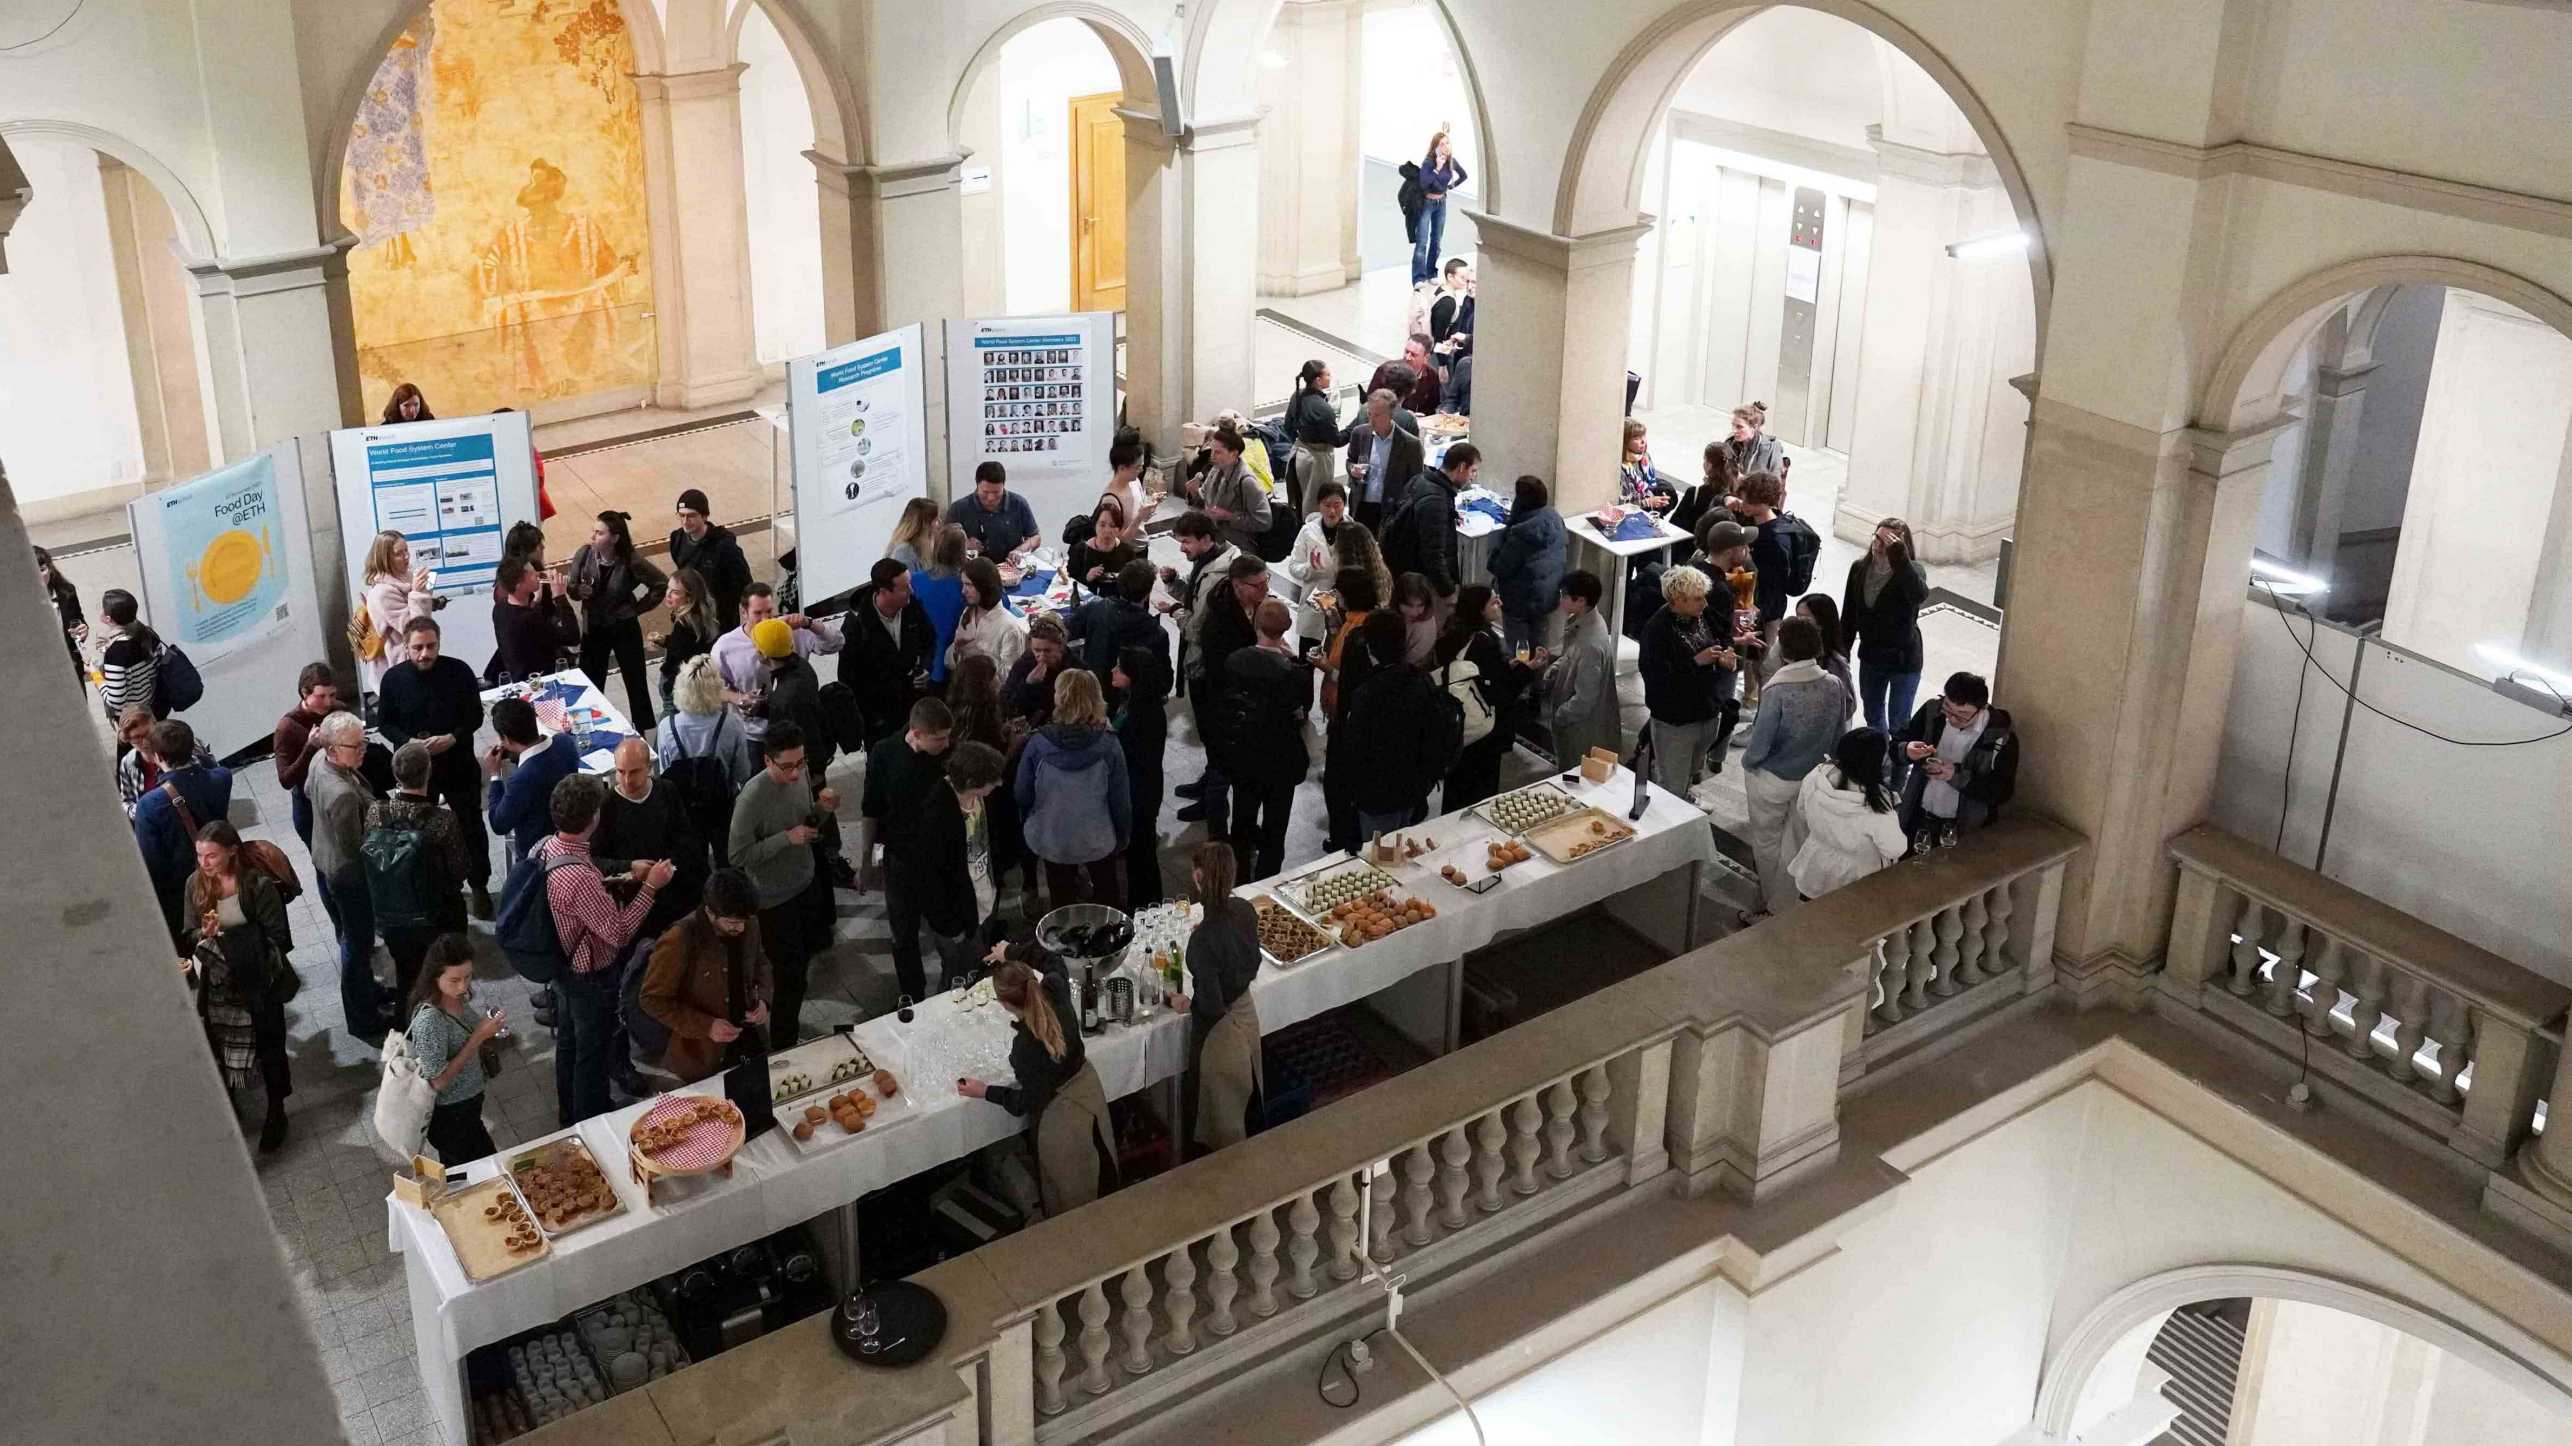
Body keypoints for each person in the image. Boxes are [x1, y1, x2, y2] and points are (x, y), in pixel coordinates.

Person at [540, 774, 672, 1125]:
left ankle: (568, 1113)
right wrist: (650, 889)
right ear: (593, 818)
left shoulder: (546, 847)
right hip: (589, 977)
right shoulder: (580, 879)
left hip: (561, 967)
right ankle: (592, 1120)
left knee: (568, 1044)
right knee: (592, 1056)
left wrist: (626, 874)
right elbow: (617, 932)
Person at [958, 947, 1118, 1214]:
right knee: (1099, 1170)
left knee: (1069, 1194)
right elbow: (1052, 957)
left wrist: (985, 1091)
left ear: (1005, 1005)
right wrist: (1010, 952)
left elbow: (1024, 1101)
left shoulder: (1025, 1048)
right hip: (1090, 1096)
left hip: (1059, 1121)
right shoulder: (1055, 988)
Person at [180, 821, 295, 1151]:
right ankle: (232, 1101)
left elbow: (280, 938)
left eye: (212, 855)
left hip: (260, 981)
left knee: (270, 1044)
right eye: (200, 855)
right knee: (222, 1044)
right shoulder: (195, 885)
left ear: (232, 852)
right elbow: (187, 934)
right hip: (220, 983)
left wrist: (235, 943)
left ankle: (277, 1109)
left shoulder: (257, 884)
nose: (205, 863)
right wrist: (205, 935)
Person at [376, 617, 494, 917]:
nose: (425, 654)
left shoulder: (459, 671)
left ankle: (479, 886)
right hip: (416, 774)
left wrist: (453, 737)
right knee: (418, 832)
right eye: (417, 647)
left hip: (457, 763)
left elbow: (475, 716)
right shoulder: (392, 679)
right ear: (405, 647)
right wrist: (408, 742)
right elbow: (384, 723)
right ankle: (432, 888)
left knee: (471, 827)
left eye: (431, 646)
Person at [1740, 618, 1855, 912]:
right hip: (1811, 777)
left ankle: (1769, 903)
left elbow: (1760, 743)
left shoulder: (1778, 691)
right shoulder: (1833, 683)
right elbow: (1838, 734)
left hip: (1773, 778)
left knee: (1767, 842)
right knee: (1799, 841)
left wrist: (1749, 763)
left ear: (1784, 650)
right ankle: (1790, 901)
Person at [641, 868, 773, 1084]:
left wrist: (765, 1001)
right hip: (704, 1054)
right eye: (732, 922)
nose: (740, 928)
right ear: (711, 912)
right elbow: (651, 999)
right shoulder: (680, 938)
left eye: (744, 920)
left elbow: (761, 963)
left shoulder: (748, 920)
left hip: (749, 1040)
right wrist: (706, 1026)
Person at [860, 699, 954, 1001]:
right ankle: (912, 995)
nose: (947, 743)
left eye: (948, 736)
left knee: (948, 930)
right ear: (916, 733)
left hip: (942, 861)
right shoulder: (885, 754)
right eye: (939, 739)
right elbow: (871, 810)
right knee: (903, 933)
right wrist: (868, 861)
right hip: (901, 861)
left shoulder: (951, 756)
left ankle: (953, 988)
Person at [1172, 842, 1262, 1153]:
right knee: (1246, 1107)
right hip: (1247, 1019)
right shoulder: (1245, 911)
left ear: (1198, 877)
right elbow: (1253, 963)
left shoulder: (1202, 942)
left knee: (1220, 1128)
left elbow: (1210, 1006)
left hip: (1220, 1038)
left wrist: (1183, 1001)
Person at [306, 711, 391, 1039]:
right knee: (357, 944)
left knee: (353, 940)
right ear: (331, 749)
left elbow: (305, 789)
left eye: (363, 742)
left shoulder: (319, 760)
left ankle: (368, 994)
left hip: (325, 859)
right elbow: (356, 845)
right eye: (354, 746)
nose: (363, 750)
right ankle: (362, 1018)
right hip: (348, 876)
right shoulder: (341, 793)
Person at [367, 740, 472, 1001]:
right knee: (444, 975)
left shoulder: (376, 812)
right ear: (429, 772)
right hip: (438, 916)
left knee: (406, 972)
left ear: (395, 775)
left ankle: (408, 1023)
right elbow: (460, 870)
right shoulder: (443, 821)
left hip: (393, 914)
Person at [1018, 670, 1130, 908]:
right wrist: (1122, 836)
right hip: (1097, 837)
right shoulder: (1109, 745)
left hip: (1053, 837)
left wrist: (1030, 821)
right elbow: (1120, 799)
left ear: (1059, 698)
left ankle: (1064, 942)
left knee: (1061, 902)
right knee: (1108, 896)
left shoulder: (1038, 743)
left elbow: (1022, 792)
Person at [1216, 597, 1309, 880]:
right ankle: (1269, 877)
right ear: (1288, 627)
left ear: (1256, 623)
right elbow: (1300, 714)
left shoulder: (1235, 660)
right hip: (1281, 759)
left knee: (1242, 819)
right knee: (1275, 826)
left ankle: (1241, 875)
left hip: (1245, 754)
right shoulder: (1294, 674)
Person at [1637, 566, 1746, 799]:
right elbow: (1658, 683)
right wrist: (1696, 662)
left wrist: (1724, 655)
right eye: (1697, 599)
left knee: (1691, 772)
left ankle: (1685, 801)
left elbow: (1721, 636)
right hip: (1675, 722)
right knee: (1671, 784)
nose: (1704, 604)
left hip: (1706, 711)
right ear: (1677, 600)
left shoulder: (1699, 615)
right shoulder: (1656, 632)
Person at [1343, 610, 1451, 837]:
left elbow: (1356, 748)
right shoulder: (1422, 680)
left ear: (1371, 647)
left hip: (1378, 793)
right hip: (1414, 786)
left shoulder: (1368, 692)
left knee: (1380, 856)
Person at [403, 935, 506, 1164]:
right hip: (451, 1114)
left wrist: (486, 1027)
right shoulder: (430, 1020)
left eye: (468, 977)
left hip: (468, 1105)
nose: (463, 986)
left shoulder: (455, 997)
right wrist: (478, 1037)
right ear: (435, 977)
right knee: (467, 1175)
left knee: (485, 1164)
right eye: (454, 980)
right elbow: (437, 1082)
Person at [1726, 471, 1820, 710]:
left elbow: (1772, 585)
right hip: (1753, 602)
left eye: (1748, 501)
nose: (1743, 504)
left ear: (1763, 502)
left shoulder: (1773, 541)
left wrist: (1755, 611)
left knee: (1762, 661)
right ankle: (1750, 697)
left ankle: (1758, 703)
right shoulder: (1767, 523)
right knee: (1750, 658)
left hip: (1764, 609)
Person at [916, 740, 1009, 983]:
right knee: (958, 976)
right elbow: (930, 879)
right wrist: (950, 927)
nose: (998, 784)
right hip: (955, 919)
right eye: (991, 781)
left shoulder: (982, 799)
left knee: (977, 967)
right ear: (970, 783)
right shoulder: (936, 814)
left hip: (983, 902)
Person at [712, 583, 843, 754]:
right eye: (758, 613)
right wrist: (738, 698)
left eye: (769, 612)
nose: (766, 619)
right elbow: (712, 688)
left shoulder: (788, 630)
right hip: (754, 736)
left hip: (795, 731)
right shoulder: (725, 647)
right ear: (743, 612)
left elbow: (836, 642)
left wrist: (808, 623)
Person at [1435, 585, 1533, 811]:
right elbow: (1499, 691)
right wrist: (1525, 671)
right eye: (1492, 601)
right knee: (1478, 793)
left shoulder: (1456, 630)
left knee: (1457, 787)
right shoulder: (1484, 642)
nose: (1498, 601)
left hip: (1460, 723)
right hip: (1483, 729)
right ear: (1479, 609)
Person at [130, 716, 230, 937]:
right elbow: (213, 767)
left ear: (157, 756)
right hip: (226, 874)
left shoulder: (150, 805)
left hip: (183, 893)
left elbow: (152, 864)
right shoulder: (222, 778)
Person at [565, 511, 666, 730]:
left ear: (615, 538)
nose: (593, 536)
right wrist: (577, 591)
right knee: (590, 683)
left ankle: (643, 728)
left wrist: (637, 609)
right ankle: (588, 727)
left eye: (599, 533)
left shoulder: (631, 560)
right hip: (594, 628)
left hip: (623, 626)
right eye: (593, 531)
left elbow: (660, 584)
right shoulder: (584, 554)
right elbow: (571, 588)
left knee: (636, 681)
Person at [1895, 673, 2019, 849]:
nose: (1951, 719)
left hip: (1961, 828)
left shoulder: (2001, 738)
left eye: (1962, 715)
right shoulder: (1932, 712)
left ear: (1981, 709)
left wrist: (1956, 775)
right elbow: (1897, 744)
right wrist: (1907, 750)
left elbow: (2002, 793)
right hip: (1918, 816)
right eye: (1948, 709)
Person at [1785, 728, 1909, 902]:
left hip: (1816, 866)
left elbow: (1802, 811)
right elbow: (1895, 848)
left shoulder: (1817, 775)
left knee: (1807, 920)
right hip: (1856, 879)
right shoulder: (1876, 806)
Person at [1840, 517, 1931, 753]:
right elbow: (1849, 615)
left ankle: (1898, 770)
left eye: (1888, 542)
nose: (1879, 546)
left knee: (1900, 724)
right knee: (1873, 714)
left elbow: (1918, 594)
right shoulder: (1859, 568)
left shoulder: (1911, 571)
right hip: (1872, 656)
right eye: (1877, 538)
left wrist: (1899, 558)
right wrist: (1841, 653)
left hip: (1904, 660)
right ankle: (1881, 758)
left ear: (1902, 546)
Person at [600, 736, 704, 939]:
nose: (627, 780)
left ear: (649, 768)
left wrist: (668, 867)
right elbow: (596, 862)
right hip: (634, 900)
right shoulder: (606, 807)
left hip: (673, 892)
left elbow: (685, 837)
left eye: (635, 772)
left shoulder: (667, 791)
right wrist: (630, 866)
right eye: (621, 772)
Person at [837, 559, 935, 745]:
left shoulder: (911, 607)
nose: (911, 591)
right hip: (878, 719)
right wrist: (871, 718)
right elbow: (848, 679)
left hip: (910, 708)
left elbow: (929, 641)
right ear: (883, 592)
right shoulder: (856, 626)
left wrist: (925, 668)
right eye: (905, 587)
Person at [482, 695, 582, 863]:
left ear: (506, 739)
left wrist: (495, 775)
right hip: (572, 839)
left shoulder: (521, 780)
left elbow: (499, 824)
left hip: (539, 856)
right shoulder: (565, 742)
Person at [1111, 643, 1173, 907]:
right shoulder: (1133, 701)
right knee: (1139, 851)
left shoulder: (1143, 713)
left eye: (1119, 668)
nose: (1113, 671)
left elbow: (1131, 753)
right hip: (1140, 786)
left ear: (1133, 676)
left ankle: (1146, 905)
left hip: (1140, 791)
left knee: (1142, 853)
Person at [1542, 570, 1621, 766]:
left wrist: (1559, 715)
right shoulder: (1586, 622)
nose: (1560, 600)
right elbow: (1572, 655)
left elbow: (1584, 699)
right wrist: (1557, 666)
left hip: (1581, 731)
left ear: (1580, 601)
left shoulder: (1590, 642)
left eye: (1564, 596)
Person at [1165, 509, 1242, 700]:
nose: (1181, 548)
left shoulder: (1214, 577)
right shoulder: (1208, 560)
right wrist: (1173, 582)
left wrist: (1175, 611)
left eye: (1186, 541)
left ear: (1206, 539)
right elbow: (1193, 597)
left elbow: (1195, 630)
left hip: (1207, 660)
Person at [752, 618, 834, 795]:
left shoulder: (788, 696)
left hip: (801, 777)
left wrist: (815, 777)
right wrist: (762, 708)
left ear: (763, 654)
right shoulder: (799, 666)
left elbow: (808, 734)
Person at [1489, 475, 1567, 658]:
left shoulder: (1520, 531)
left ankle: (1520, 678)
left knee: (1519, 647)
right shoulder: (1555, 517)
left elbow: (1500, 567)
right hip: (1548, 595)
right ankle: (1539, 681)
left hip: (1519, 599)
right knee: (1540, 642)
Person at [1385, 442, 1472, 603]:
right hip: (1423, 581)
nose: (1473, 476)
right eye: (1472, 471)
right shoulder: (1436, 500)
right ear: (1461, 467)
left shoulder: (1422, 478)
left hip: (1405, 568)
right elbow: (1433, 553)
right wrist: (1448, 592)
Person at [1067, 557, 1168, 681]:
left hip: (1095, 685)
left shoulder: (1096, 608)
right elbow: (1164, 680)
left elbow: (1066, 633)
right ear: (1148, 593)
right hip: (1131, 695)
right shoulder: (1157, 632)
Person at [273, 664, 338, 852]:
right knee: (325, 865)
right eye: (321, 696)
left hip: (338, 796)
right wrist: (309, 748)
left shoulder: (337, 710)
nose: (328, 703)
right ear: (304, 693)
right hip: (309, 805)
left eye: (332, 695)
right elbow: (285, 779)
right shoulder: (287, 728)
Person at [360, 530, 444, 676]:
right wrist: (418, 593)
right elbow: (416, 629)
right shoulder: (382, 593)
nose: (406, 557)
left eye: (406, 551)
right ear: (385, 559)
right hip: (400, 668)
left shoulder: (406, 578)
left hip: (417, 659)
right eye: (399, 554)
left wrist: (425, 592)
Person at [668, 489, 752, 630]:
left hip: (720, 617)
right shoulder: (677, 539)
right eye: (681, 515)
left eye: (691, 516)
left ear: (705, 516)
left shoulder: (724, 546)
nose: (685, 521)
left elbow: (744, 583)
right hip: (692, 614)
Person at [1342, 389, 1425, 532]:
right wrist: (1352, 470)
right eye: (1369, 414)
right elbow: (1350, 461)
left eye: (1377, 415)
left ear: (1391, 415)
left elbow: (1416, 483)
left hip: (1392, 511)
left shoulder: (1410, 444)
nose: (1371, 420)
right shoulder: (1359, 433)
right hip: (1362, 506)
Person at [489, 555, 579, 684]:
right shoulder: (530, 619)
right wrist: (560, 597)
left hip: (518, 679)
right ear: (519, 584)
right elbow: (573, 636)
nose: (538, 575)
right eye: (532, 574)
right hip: (539, 683)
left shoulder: (499, 608)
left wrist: (536, 602)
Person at [115, 702, 214, 818]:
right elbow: (127, 801)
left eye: (148, 733)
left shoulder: (183, 744)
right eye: (137, 738)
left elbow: (213, 777)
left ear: (155, 724)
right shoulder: (128, 762)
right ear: (128, 740)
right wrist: (146, 811)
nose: (145, 741)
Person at [1282, 479, 1351, 638]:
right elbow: (1293, 567)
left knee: (1338, 648)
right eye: (1327, 505)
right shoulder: (1308, 531)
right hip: (1315, 600)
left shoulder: (1353, 530)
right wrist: (1310, 567)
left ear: (1344, 505)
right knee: (1309, 647)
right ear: (1319, 505)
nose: (1332, 511)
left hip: (1344, 602)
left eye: (1337, 505)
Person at [650, 568, 721, 721]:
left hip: (677, 684)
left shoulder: (684, 623)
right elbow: (686, 645)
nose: (668, 594)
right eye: (668, 588)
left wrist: (667, 645)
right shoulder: (702, 617)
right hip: (693, 682)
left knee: (669, 725)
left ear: (689, 598)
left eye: (675, 592)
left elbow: (681, 651)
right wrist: (665, 640)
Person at [1197, 424, 1274, 557]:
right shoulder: (1216, 470)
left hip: (1238, 550)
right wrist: (1193, 491)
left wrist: (1228, 516)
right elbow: (1203, 498)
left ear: (1234, 454)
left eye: (1218, 452)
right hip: (1215, 543)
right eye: (1212, 451)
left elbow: (1264, 521)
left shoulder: (1247, 482)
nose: (1212, 456)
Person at [909, 525, 972, 687]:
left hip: (923, 660)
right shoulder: (966, 586)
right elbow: (999, 604)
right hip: (955, 661)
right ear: (962, 552)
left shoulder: (914, 580)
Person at [950, 557, 1029, 677]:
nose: (963, 591)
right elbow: (952, 663)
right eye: (963, 584)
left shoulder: (1009, 628)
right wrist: (956, 649)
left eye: (969, 585)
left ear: (984, 586)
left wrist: (978, 655)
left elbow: (1010, 676)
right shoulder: (968, 613)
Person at [946, 461, 1041, 560]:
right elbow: (944, 545)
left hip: (1010, 567)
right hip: (973, 570)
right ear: (977, 485)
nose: (991, 498)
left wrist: (1020, 550)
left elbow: (1035, 537)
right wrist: (964, 546)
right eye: (985, 492)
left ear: (1003, 486)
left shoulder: (1018, 503)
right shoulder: (959, 508)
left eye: (996, 492)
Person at [1409, 131, 1469, 285]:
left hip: (1441, 204)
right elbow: (1424, 183)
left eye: (1447, 143)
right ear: (1435, 147)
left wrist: (1450, 186)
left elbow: (1463, 175)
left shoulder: (1451, 161)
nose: (1445, 147)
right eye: (1441, 144)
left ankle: (1431, 272)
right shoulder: (1429, 162)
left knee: (1437, 240)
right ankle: (1418, 278)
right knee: (1422, 242)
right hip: (1427, 204)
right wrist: (1437, 167)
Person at [95, 588, 161, 725]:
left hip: (131, 721)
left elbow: (116, 702)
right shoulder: (149, 634)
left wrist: (96, 675)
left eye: (102, 608)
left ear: (108, 619)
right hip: (151, 706)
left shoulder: (116, 652)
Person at [1284, 359, 1341, 509]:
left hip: (1298, 454)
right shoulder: (1322, 408)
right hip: (1317, 461)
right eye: (1328, 375)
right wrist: (1355, 425)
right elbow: (1337, 440)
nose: (1330, 377)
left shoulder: (1297, 396)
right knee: (1315, 504)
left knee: (1298, 497)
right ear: (1318, 379)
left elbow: (1288, 426)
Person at [1002, 613, 1073, 724]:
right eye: (1037, 650)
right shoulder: (1025, 663)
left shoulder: (1075, 669)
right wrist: (1028, 685)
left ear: (1061, 647)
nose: (1042, 656)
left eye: (1047, 650)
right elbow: (1006, 704)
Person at [1794, 593, 1856, 716]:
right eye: (1797, 617)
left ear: (1821, 622)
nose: (1798, 623)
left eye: (1805, 618)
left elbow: (1848, 706)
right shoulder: (1788, 648)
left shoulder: (1836, 663)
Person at [1066, 496, 1138, 594]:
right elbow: (1070, 580)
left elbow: (1135, 583)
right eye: (1102, 525)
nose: (1107, 531)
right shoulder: (1080, 550)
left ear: (1119, 528)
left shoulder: (1127, 552)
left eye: (1112, 526)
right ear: (1095, 525)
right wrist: (1087, 577)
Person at [37, 544, 86, 681]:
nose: (38, 576)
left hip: (71, 664)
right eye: (33, 572)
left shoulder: (67, 592)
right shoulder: (21, 602)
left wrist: (83, 631)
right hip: (41, 669)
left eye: (42, 570)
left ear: (50, 569)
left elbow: (78, 619)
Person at [1367, 336, 1444, 417]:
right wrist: (1404, 415)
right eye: (1406, 352)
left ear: (1426, 357)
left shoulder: (1432, 376)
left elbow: (1432, 407)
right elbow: (1371, 400)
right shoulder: (1386, 371)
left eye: (1413, 355)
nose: (1407, 357)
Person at [1101, 427, 1156, 537]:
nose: (1141, 470)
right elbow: (1121, 539)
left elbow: (1142, 517)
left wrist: (1152, 503)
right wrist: (1140, 517)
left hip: (1142, 545)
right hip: (1128, 552)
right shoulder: (1111, 499)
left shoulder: (1134, 481)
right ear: (1122, 468)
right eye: (1137, 467)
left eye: (1142, 465)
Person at [1620, 419, 1674, 512]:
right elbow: (1621, 505)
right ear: (1625, 442)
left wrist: (1659, 498)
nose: (1643, 441)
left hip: (1645, 494)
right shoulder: (1621, 468)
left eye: (1643, 436)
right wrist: (1647, 502)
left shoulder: (1645, 456)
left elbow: (1649, 484)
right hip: (1632, 507)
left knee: (1668, 491)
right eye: (1636, 438)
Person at [1722, 401, 1785, 479]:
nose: (1734, 431)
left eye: (1739, 427)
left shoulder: (1771, 448)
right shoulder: (1731, 442)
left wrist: (1744, 480)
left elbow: (1776, 484)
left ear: (1754, 427)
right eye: (1733, 425)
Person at [1391, 572, 1439, 667]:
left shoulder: (1424, 626)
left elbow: (1409, 661)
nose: (1414, 612)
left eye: (1420, 605)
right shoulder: (1396, 617)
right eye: (1408, 605)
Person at [885, 496, 942, 573]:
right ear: (923, 524)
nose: (939, 522)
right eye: (935, 519)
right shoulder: (904, 551)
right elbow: (909, 582)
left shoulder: (929, 542)